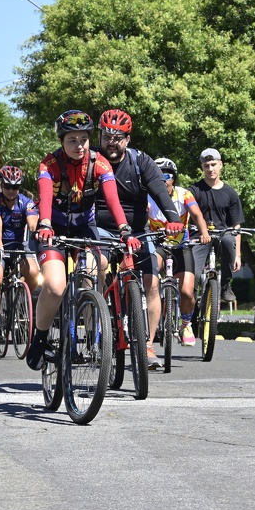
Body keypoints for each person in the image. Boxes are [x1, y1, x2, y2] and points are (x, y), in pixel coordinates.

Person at [25, 110, 138, 372]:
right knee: (54, 286)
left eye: (84, 139)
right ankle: (40, 337)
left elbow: (112, 199)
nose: (79, 146)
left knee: (98, 265)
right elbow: (45, 195)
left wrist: (124, 229)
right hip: (52, 229)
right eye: (72, 140)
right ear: (62, 141)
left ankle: (93, 329)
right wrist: (44, 224)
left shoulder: (100, 164)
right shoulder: (49, 164)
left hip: (85, 229)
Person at [93, 109, 186, 369]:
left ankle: (147, 345)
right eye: (107, 136)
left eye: (118, 137)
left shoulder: (140, 161)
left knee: (151, 282)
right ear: (99, 136)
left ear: (128, 139)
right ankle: (96, 330)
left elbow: (159, 190)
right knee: (96, 267)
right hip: (100, 230)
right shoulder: (90, 160)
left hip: (136, 231)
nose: (112, 142)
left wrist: (172, 218)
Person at [148, 157, 211, 346]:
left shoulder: (183, 194)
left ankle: (185, 323)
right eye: (158, 176)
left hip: (181, 247)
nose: (163, 180)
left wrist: (204, 232)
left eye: (166, 176)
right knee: (151, 282)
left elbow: (197, 214)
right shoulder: (148, 196)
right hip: (159, 246)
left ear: (173, 178)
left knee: (187, 292)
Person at [0, 165, 41, 343]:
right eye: (7, 186)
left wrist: (36, 231)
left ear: (19, 187)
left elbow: (32, 223)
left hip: (18, 247)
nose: (11, 191)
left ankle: (22, 301)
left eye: (15, 187)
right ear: (1, 185)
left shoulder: (26, 202)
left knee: (34, 274)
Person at [190, 148, 245, 303]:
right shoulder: (194, 190)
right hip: (200, 237)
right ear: (202, 167)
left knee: (229, 240)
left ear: (221, 165)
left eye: (213, 164)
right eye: (206, 165)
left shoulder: (230, 193)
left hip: (222, 234)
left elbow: (236, 226)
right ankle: (192, 302)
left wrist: (238, 255)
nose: (210, 169)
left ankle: (225, 286)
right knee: (193, 272)